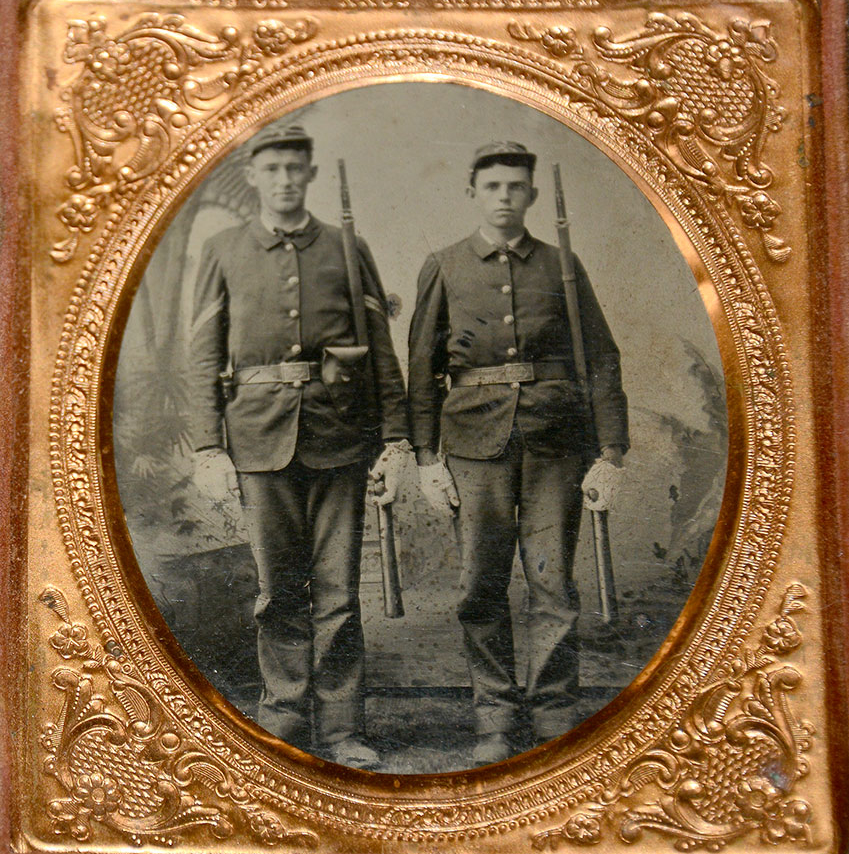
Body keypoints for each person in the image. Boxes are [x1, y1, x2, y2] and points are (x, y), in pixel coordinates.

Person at [189, 123, 410, 770]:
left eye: (295, 169)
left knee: (338, 593)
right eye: (273, 169)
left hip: (339, 438)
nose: (285, 180)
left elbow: (379, 353)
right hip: (256, 440)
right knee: (276, 593)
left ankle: (341, 730)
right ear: (255, 177)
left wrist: (394, 440)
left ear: (310, 175)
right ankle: (283, 726)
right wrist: (208, 444)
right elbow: (203, 353)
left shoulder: (345, 247)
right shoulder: (225, 250)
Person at [408, 141, 629, 767]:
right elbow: (420, 369)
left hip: (557, 443)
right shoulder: (444, 265)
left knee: (552, 582)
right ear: (473, 194)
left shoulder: (563, 265)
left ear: (531, 195)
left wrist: (611, 453)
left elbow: (603, 359)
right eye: (493, 186)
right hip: (474, 445)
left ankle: (556, 711)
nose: (504, 197)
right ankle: (495, 714)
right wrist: (426, 458)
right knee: (480, 585)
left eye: (516, 186)